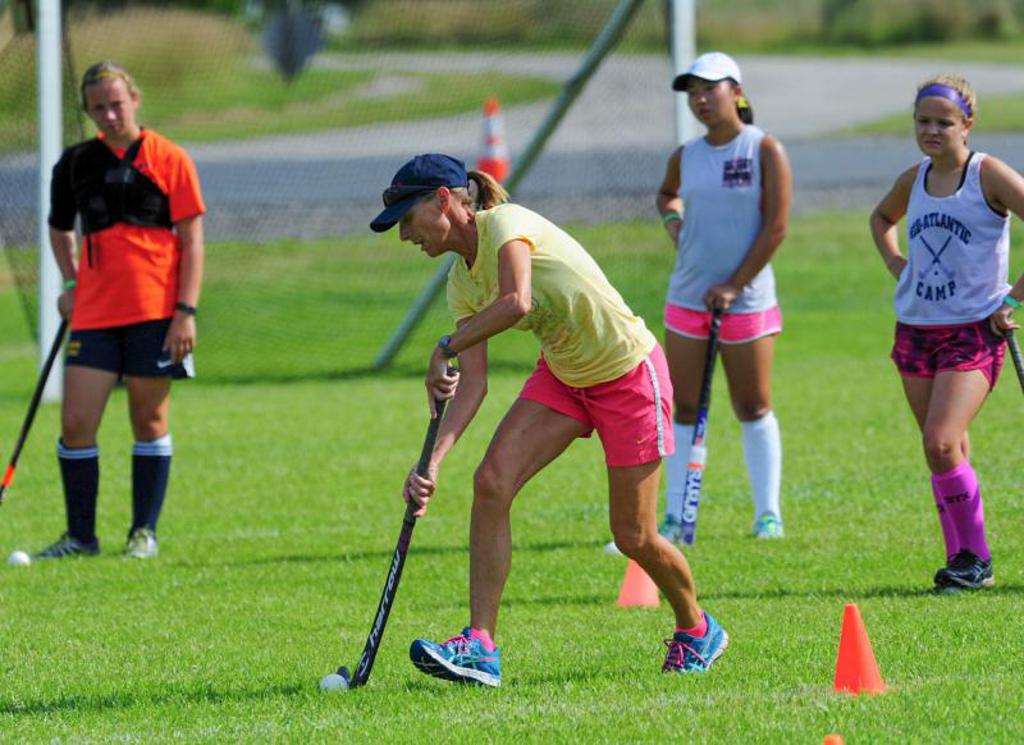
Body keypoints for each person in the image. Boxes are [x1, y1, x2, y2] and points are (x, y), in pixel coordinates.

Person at [369, 153, 728, 687]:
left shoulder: (506, 227)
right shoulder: (460, 285)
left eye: (407, 218)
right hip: (564, 377)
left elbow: (517, 300)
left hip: (628, 374)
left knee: (633, 536)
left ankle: (697, 628)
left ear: (444, 201)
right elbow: (475, 383)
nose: (404, 236)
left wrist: (444, 345)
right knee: (491, 482)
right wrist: (431, 465)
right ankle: (481, 646)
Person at [33, 61, 205, 560]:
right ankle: (80, 538)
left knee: (148, 419)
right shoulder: (73, 163)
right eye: (97, 107)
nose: (108, 114)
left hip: (157, 311)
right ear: (88, 111)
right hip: (94, 314)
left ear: (135, 99)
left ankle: (142, 534)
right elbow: (60, 228)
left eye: (116, 103)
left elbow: (193, 240)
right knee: (75, 423)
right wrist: (69, 279)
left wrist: (186, 311)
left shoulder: (170, 158)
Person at [869, 75, 1024, 591]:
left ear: (968, 125)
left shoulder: (989, 175)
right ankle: (963, 559)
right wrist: (896, 264)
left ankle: (972, 559)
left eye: (943, 122)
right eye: (923, 121)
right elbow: (881, 218)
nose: (931, 131)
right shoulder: (913, 178)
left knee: (939, 442)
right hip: (915, 329)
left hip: (973, 331)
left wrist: (1013, 299)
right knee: (945, 446)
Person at [650, 51, 791, 544]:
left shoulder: (763, 149)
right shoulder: (685, 156)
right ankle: (674, 519)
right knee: (682, 408)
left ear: (737, 91)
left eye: (710, 88)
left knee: (752, 405)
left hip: (746, 304)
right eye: (693, 92)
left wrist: (734, 284)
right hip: (687, 299)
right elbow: (666, 195)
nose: (701, 99)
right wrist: (676, 227)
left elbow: (776, 228)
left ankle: (767, 514)